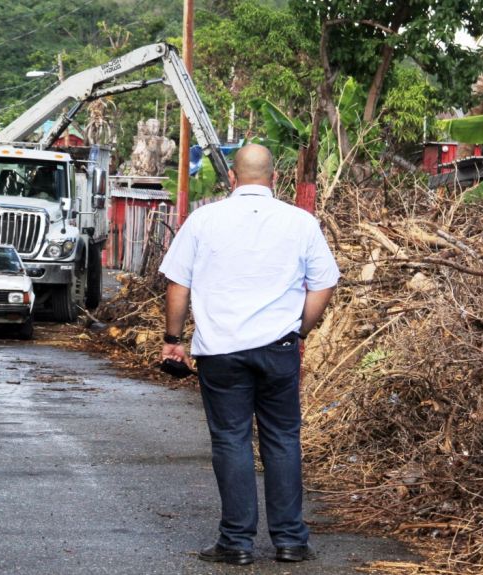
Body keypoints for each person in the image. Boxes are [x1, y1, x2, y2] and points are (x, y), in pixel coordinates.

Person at [158, 144, 339, 565]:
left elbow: (178, 285)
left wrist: (173, 337)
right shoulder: (301, 222)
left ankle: (236, 542)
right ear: (275, 178)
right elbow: (324, 283)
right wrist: (299, 329)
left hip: (221, 351)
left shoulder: (204, 220)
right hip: (278, 348)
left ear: (232, 179)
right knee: (282, 439)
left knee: (232, 440)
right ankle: (291, 540)